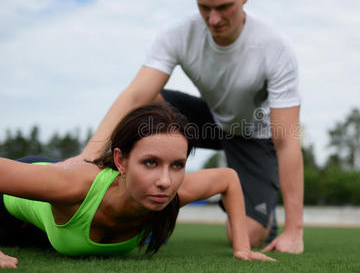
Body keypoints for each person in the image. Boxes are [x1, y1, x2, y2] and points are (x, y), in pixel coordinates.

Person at [61, 0, 304, 253]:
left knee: (248, 235)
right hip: (210, 120)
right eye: (204, 7)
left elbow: (287, 140)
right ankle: (134, 199)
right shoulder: (179, 34)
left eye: (224, 7)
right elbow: (135, 96)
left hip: (253, 134)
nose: (213, 19)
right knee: (146, 101)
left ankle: (256, 207)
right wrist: (88, 157)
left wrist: (294, 230)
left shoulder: (274, 48)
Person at [0, 103, 274, 269]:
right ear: (121, 160)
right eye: (150, 163)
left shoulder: (173, 192)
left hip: (47, 234)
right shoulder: (73, 186)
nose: (166, 182)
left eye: (177, 165)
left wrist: (243, 248)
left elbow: (228, 178)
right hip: (11, 211)